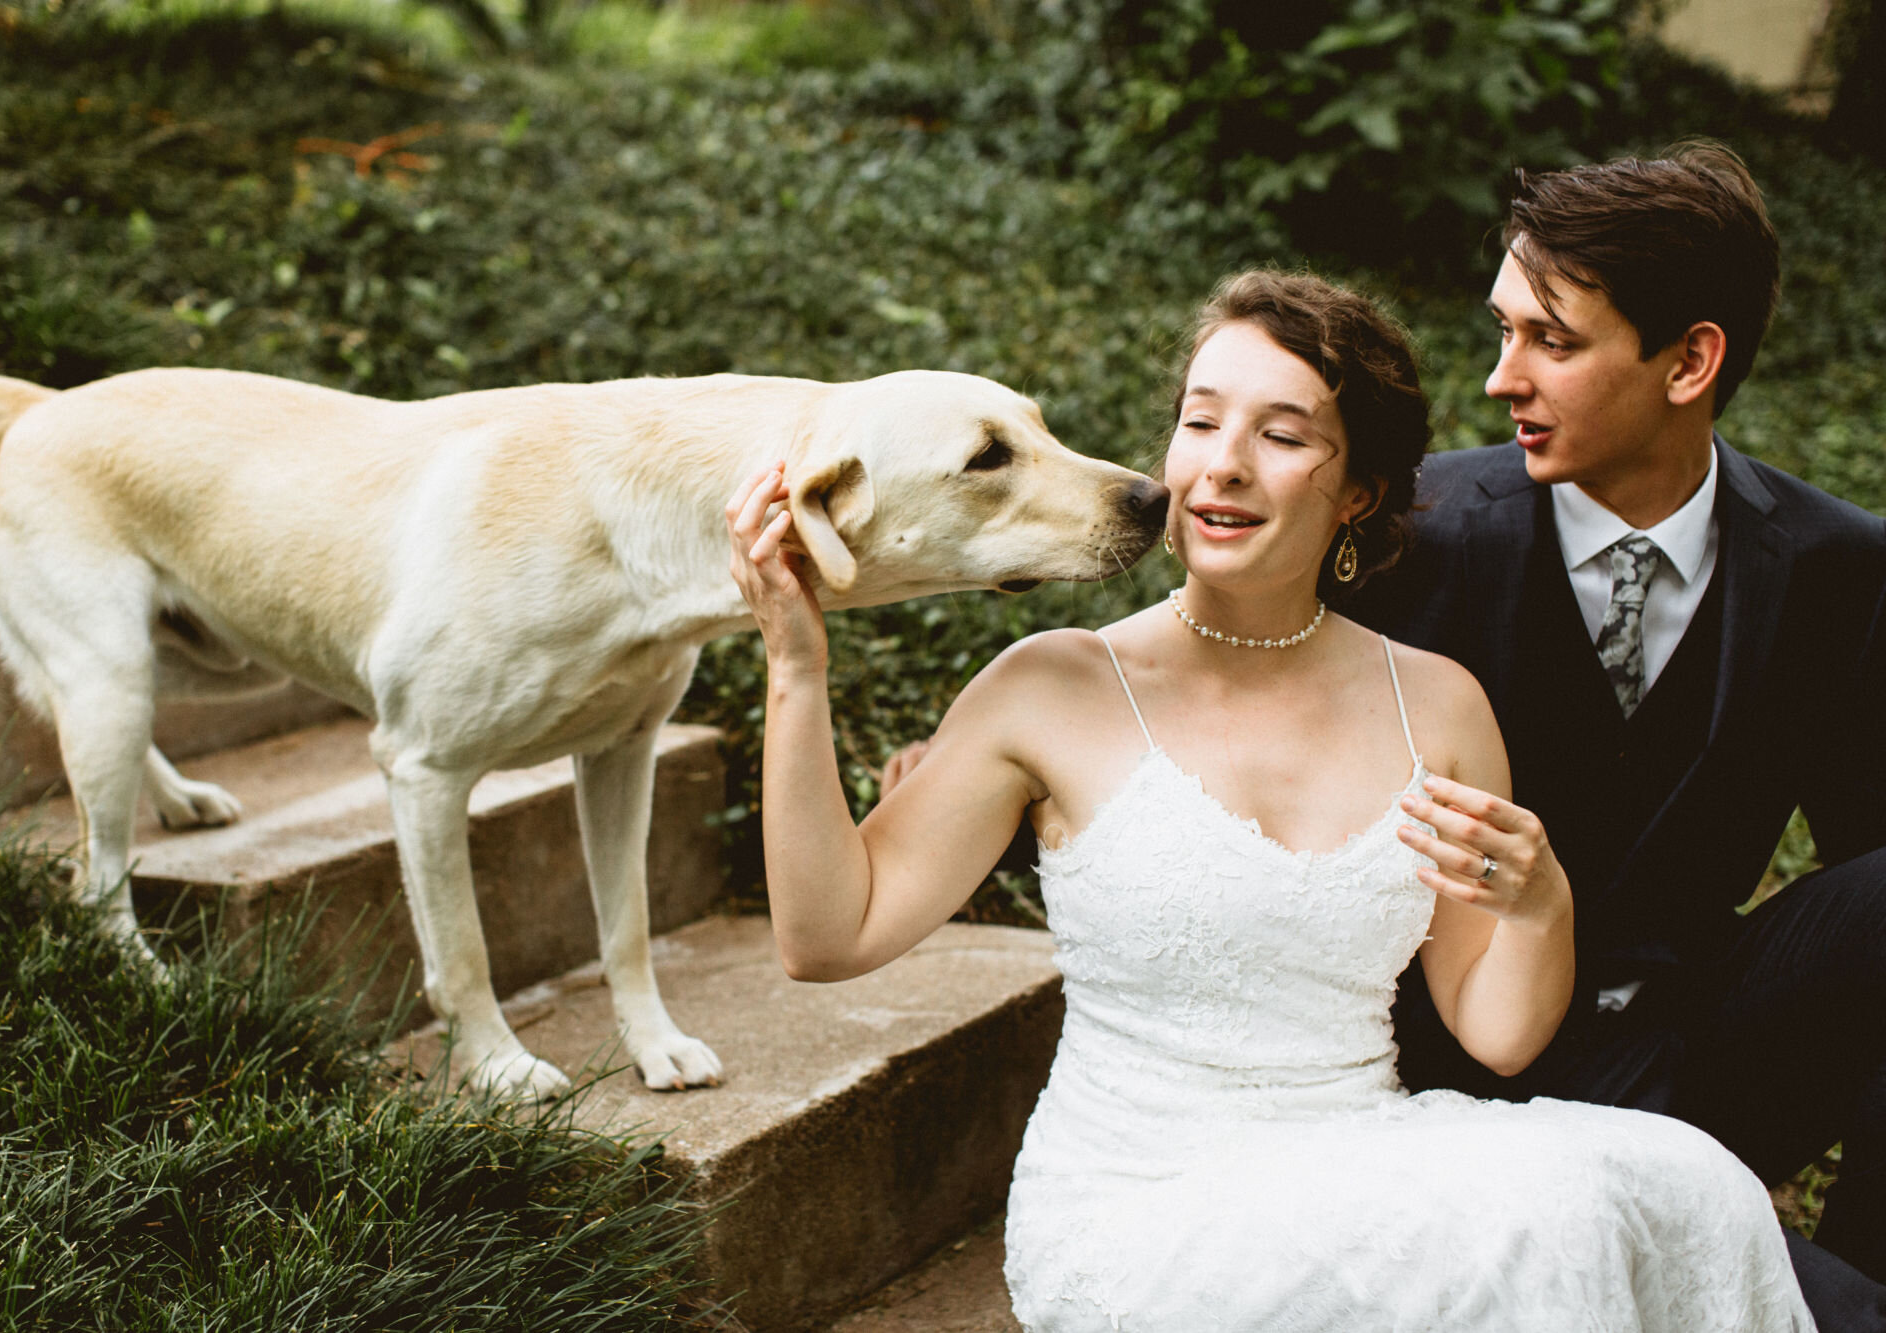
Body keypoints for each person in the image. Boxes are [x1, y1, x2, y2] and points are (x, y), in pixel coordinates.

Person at [730, 269, 1814, 1330]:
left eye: (1282, 437)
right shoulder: (1049, 689)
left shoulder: (1434, 706)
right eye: (1200, 423)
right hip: (1137, 1206)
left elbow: (1498, 1036)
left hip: (1360, 1155)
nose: (1222, 467)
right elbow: (829, 936)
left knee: (1688, 1186)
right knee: (1541, 1231)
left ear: (1357, 494)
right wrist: (794, 667)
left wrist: (1537, 905)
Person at [1343, 144, 1886, 1331]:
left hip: (1698, 1048)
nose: (1500, 379)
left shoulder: (1839, 566)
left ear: (1689, 359)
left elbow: (1860, 870)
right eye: (1501, 330)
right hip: (1461, 1077)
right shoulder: (1414, 535)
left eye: (1552, 340)